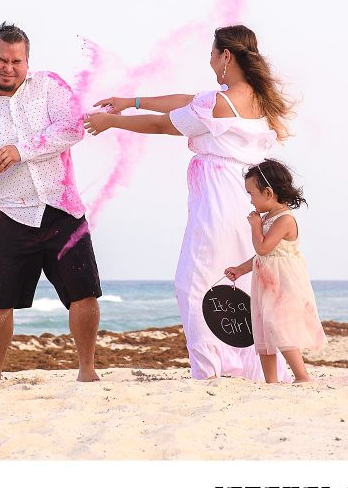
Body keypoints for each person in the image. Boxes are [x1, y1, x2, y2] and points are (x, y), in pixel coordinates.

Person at [84, 24, 294, 381]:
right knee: (243, 283)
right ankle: (251, 369)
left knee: (194, 281)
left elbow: (164, 125)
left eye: (213, 54)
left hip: (218, 201)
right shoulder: (259, 99)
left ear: (226, 56)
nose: (210, 61)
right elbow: (186, 101)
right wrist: (131, 101)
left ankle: (209, 370)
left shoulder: (218, 103)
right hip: (247, 201)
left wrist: (113, 121)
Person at [0, 22, 102, 382]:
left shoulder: (50, 86)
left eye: (16, 61)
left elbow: (72, 128)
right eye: (2, 60)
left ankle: (87, 371)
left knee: (84, 293)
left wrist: (19, 151)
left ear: (27, 61)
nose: (9, 67)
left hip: (63, 207)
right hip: (12, 214)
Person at [224, 159, 325, 383]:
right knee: (262, 328)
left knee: (279, 326)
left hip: (283, 283)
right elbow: (263, 256)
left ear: (268, 192)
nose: (250, 199)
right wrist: (240, 269)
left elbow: (262, 247)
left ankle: (302, 376)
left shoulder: (285, 219)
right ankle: (271, 381)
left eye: (251, 194)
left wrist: (255, 226)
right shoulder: (267, 218)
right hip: (265, 282)